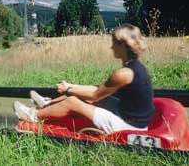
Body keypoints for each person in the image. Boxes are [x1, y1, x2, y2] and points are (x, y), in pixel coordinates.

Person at [13, 24, 154, 133]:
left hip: (129, 126)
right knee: (89, 92)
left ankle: (33, 116)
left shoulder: (124, 74)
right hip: (128, 114)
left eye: (114, 43)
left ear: (123, 46)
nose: (111, 47)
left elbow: (94, 96)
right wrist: (71, 85)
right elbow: (97, 90)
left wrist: (68, 89)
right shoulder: (134, 67)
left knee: (73, 102)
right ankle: (47, 105)